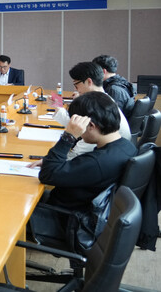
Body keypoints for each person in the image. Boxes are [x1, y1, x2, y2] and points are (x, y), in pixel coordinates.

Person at [28, 92, 137, 243]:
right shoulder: (126, 146)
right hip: (81, 209)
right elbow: (80, 170)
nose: (78, 132)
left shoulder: (97, 162)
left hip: (67, 220)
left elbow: (47, 175)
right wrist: (53, 161)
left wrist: (69, 136)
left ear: (90, 126)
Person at [50, 62, 132, 159]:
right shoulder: (103, 100)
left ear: (89, 81)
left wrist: (54, 159)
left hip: (105, 158)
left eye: (76, 85)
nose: (76, 89)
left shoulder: (97, 107)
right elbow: (78, 126)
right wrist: (58, 107)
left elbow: (80, 151)